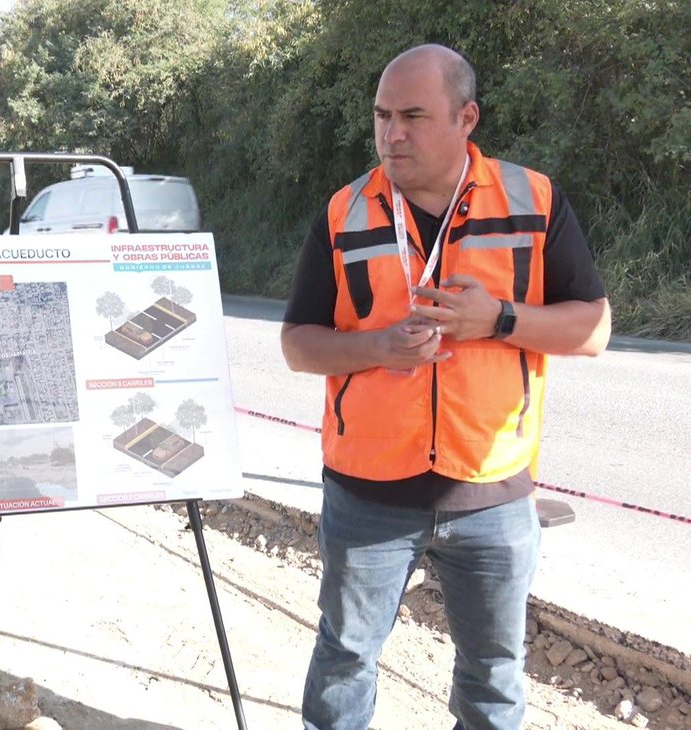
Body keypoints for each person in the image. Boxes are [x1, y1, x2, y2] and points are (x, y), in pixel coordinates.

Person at [281, 44, 610, 729]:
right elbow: (297, 343)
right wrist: (374, 346)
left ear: (467, 118)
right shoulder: (344, 213)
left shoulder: (534, 201)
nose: (391, 134)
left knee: (492, 674)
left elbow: (594, 330)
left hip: (492, 496)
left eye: (412, 116)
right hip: (366, 493)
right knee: (344, 661)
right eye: (381, 116)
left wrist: (499, 318)